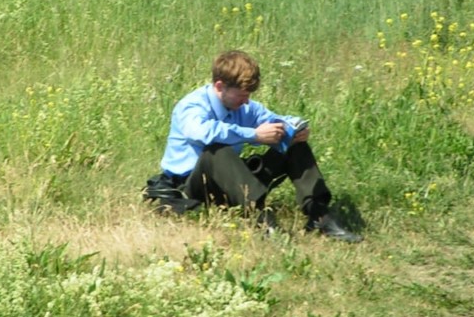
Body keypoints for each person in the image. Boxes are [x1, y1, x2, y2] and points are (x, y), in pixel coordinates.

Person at [145, 50, 362, 243]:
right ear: (219, 86)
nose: (246, 101)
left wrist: (293, 128)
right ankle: (262, 220)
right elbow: (203, 132)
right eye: (242, 95)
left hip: (233, 182)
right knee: (216, 150)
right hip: (194, 186)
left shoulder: (244, 106)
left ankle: (320, 216)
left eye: (248, 95)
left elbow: (273, 119)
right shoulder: (192, 105)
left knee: (294, 145)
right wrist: (254, 135)